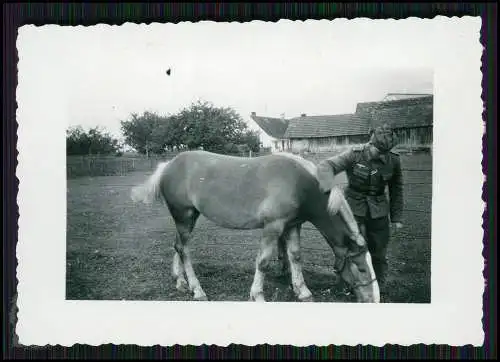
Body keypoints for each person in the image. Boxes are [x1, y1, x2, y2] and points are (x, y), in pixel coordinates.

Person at [317, 123, 404, 296]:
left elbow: (397, 188)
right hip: (353, 211)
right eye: (378, 151)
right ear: (371, 143)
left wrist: (397, 217)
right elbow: (326, 165)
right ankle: (345, 284)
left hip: (379, 213)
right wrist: (331, 188)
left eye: (384, 153)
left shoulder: (393, 160)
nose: (380, 155)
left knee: (378, 253)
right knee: (350, 250)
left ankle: (378, 288)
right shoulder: (354, 155)